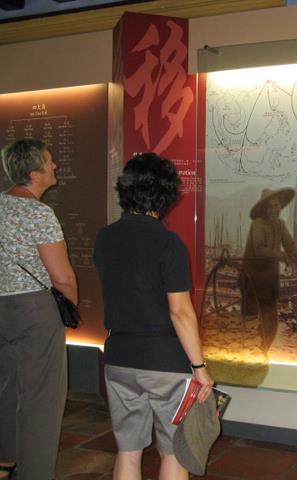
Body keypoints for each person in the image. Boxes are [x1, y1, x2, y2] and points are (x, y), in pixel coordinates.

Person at [93, 153, 213, 480]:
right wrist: (200, 368)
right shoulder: (168, 243)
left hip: (118, 356)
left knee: (128, 450)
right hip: (164, 361)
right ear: (166, 193)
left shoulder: (104, 238)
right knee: (174, 452)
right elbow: (181, 312)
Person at [0, 139, 77, 479]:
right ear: (34, 173)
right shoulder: (39, 214)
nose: (54, 166)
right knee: (41, 400)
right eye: (49, 162)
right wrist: (69, 309)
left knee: (5, 388)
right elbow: (62, 277)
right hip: (34, 310)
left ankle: (4, 461)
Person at [242, 187, 297, 350]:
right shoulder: (257, 224)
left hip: (270, 276)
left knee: (270, 314)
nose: (274, 209)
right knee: (255, 314)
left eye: (277, 206)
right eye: (270, 206)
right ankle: (258, 346)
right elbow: (259, 249)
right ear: (264, 209)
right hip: (254, 276)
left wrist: (296, 259)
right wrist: (282, 256)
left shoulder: (280, 224)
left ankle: (264, 346)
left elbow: (289, 244)